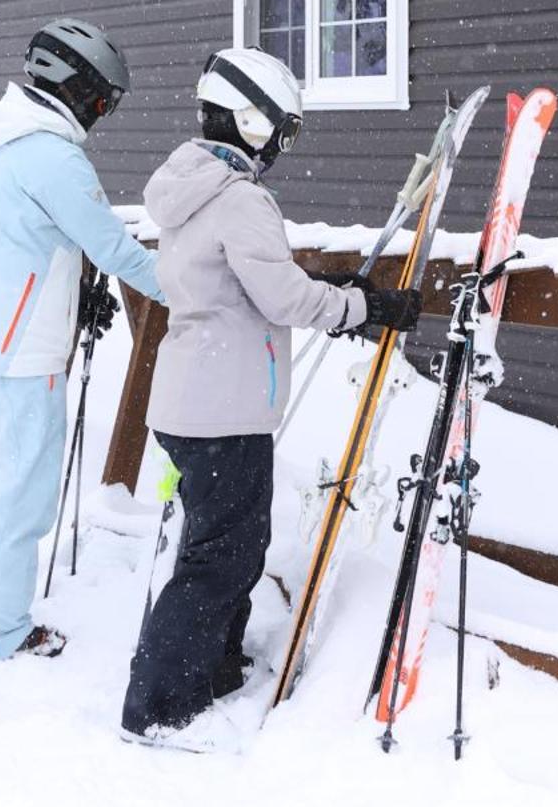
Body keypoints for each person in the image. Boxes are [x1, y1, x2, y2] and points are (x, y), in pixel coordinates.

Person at [121, 48, 419, 749]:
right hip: (221, 407)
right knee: (220, 557)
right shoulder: (240, 198)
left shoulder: (189, 188)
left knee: (227, 544)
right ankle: (158, 705)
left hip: (194, 400)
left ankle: (213, 666)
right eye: (281, 131)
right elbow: (280, 294)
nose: (282, 147)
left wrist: (346, 295)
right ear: (250, 119)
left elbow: (245, 281)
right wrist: (363, 308)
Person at [0, 19, 168, 667]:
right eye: (103, 100)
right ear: (78, 88)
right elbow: (114, 247)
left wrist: (71, 281)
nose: (102, 114)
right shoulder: (55, 156)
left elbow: (28, 236)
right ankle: (0, 633)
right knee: (22, 498)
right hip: (23, 355)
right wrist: (189, 290)